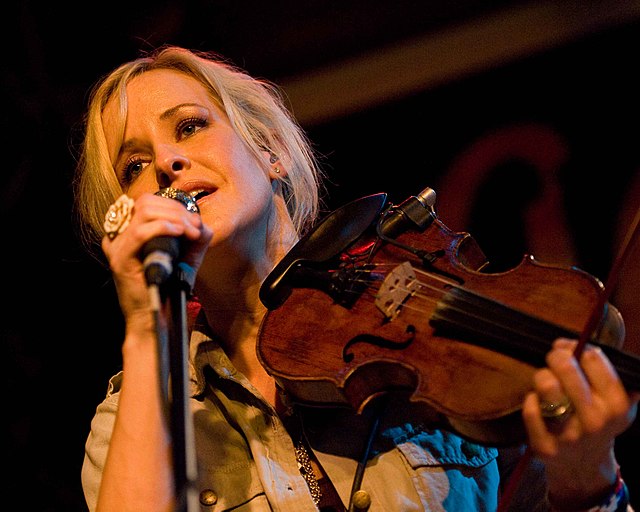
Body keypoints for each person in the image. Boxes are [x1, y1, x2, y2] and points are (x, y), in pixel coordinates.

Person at [75, 45, 638, 512]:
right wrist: (151, 321)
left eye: (191, 126)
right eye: (135, 166)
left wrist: (587, 479)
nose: (167, 162)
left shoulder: (429, 340)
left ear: (269, 151)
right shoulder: (130, 423)